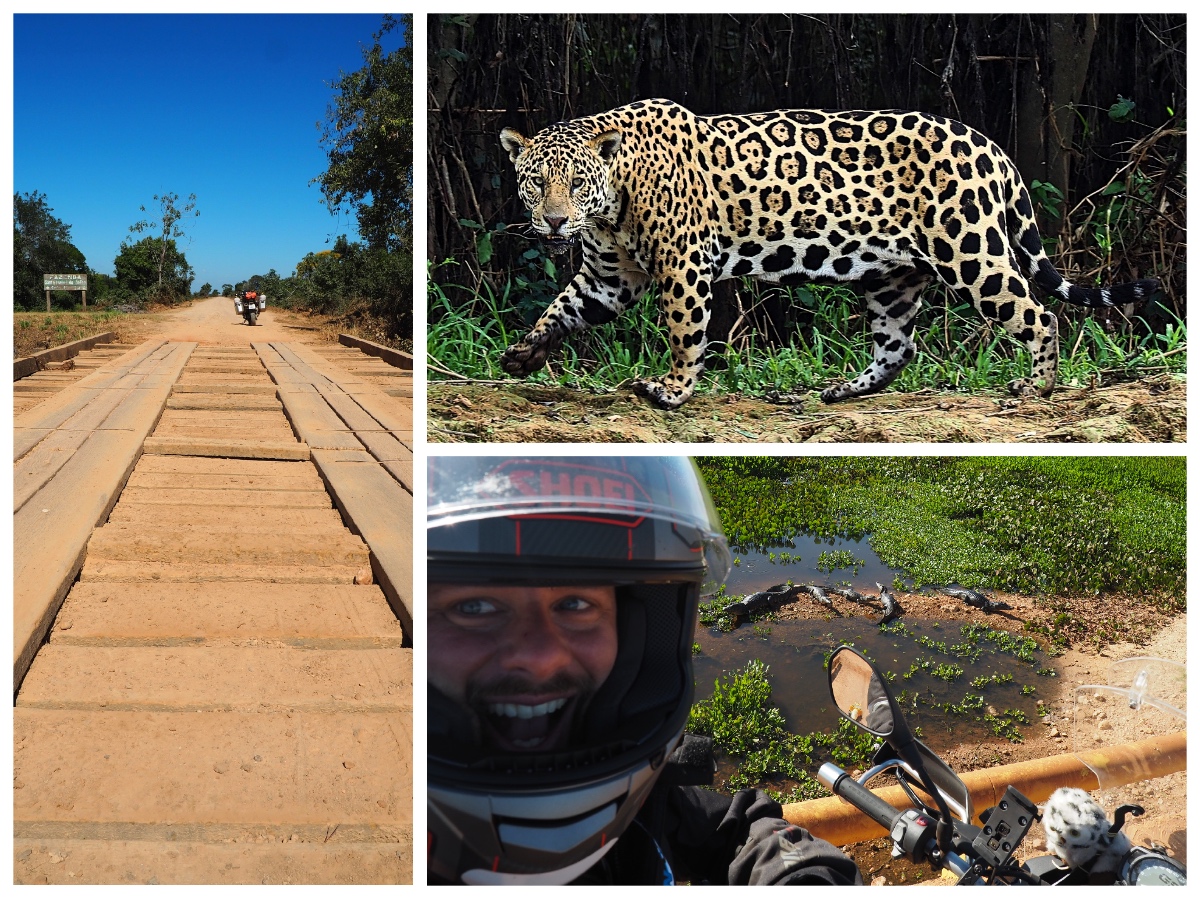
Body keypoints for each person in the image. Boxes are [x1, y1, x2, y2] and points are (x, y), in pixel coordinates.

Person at [427, 456, 862, 885]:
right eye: (474, 608)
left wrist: (803, 874)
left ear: (640, 633)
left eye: (575, 605)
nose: (540, 656)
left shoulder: (642, 806)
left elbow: (733, 830)